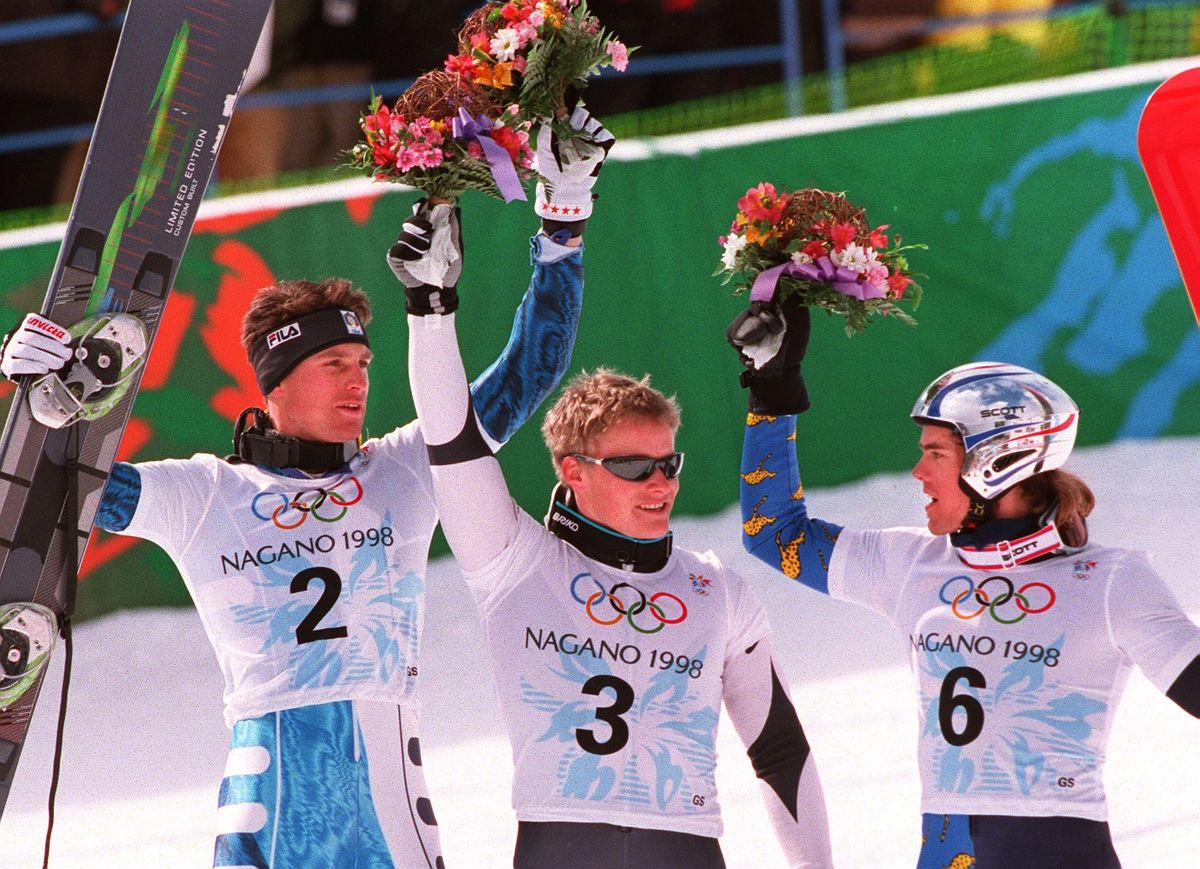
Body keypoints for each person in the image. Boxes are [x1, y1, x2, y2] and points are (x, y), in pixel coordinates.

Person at [0, 112, 609, 868]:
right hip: (262, 779)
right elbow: (61, 484)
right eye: (335, 365)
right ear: (278, 383)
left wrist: (563, 227)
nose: (359, 380)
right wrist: (36, 399)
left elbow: (528, 373)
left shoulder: (404, 468)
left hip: (377, 780)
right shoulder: (208, 493)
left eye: (363, 362)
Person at [397, 172, 834, 866]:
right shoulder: (515, 561)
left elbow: (779, 750)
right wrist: (429, 306)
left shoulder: (718, 591)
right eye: (634, 467)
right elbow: (450, 440)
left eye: (668, 464)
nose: (659, 483)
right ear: (573, 471)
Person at [726, 297, 1200, 868]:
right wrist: (772, 396)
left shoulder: (1112, 581)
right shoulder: (909, 563)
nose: (918, 472)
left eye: (936, 454)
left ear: (998, 460)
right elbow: (773, 532)